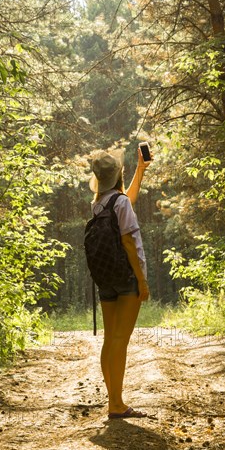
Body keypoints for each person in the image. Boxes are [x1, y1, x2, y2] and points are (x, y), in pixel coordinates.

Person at [89, 146, 151, 419]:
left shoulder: (99, 202)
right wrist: (142, 280)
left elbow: (127, 200)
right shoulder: (118, 202)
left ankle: (114, 399)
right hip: (126, 278)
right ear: (116, 176)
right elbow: (127, 240)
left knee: (110, 339)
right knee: (120, 340)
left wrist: (140, 170)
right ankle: (116, 404)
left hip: (106, 279)